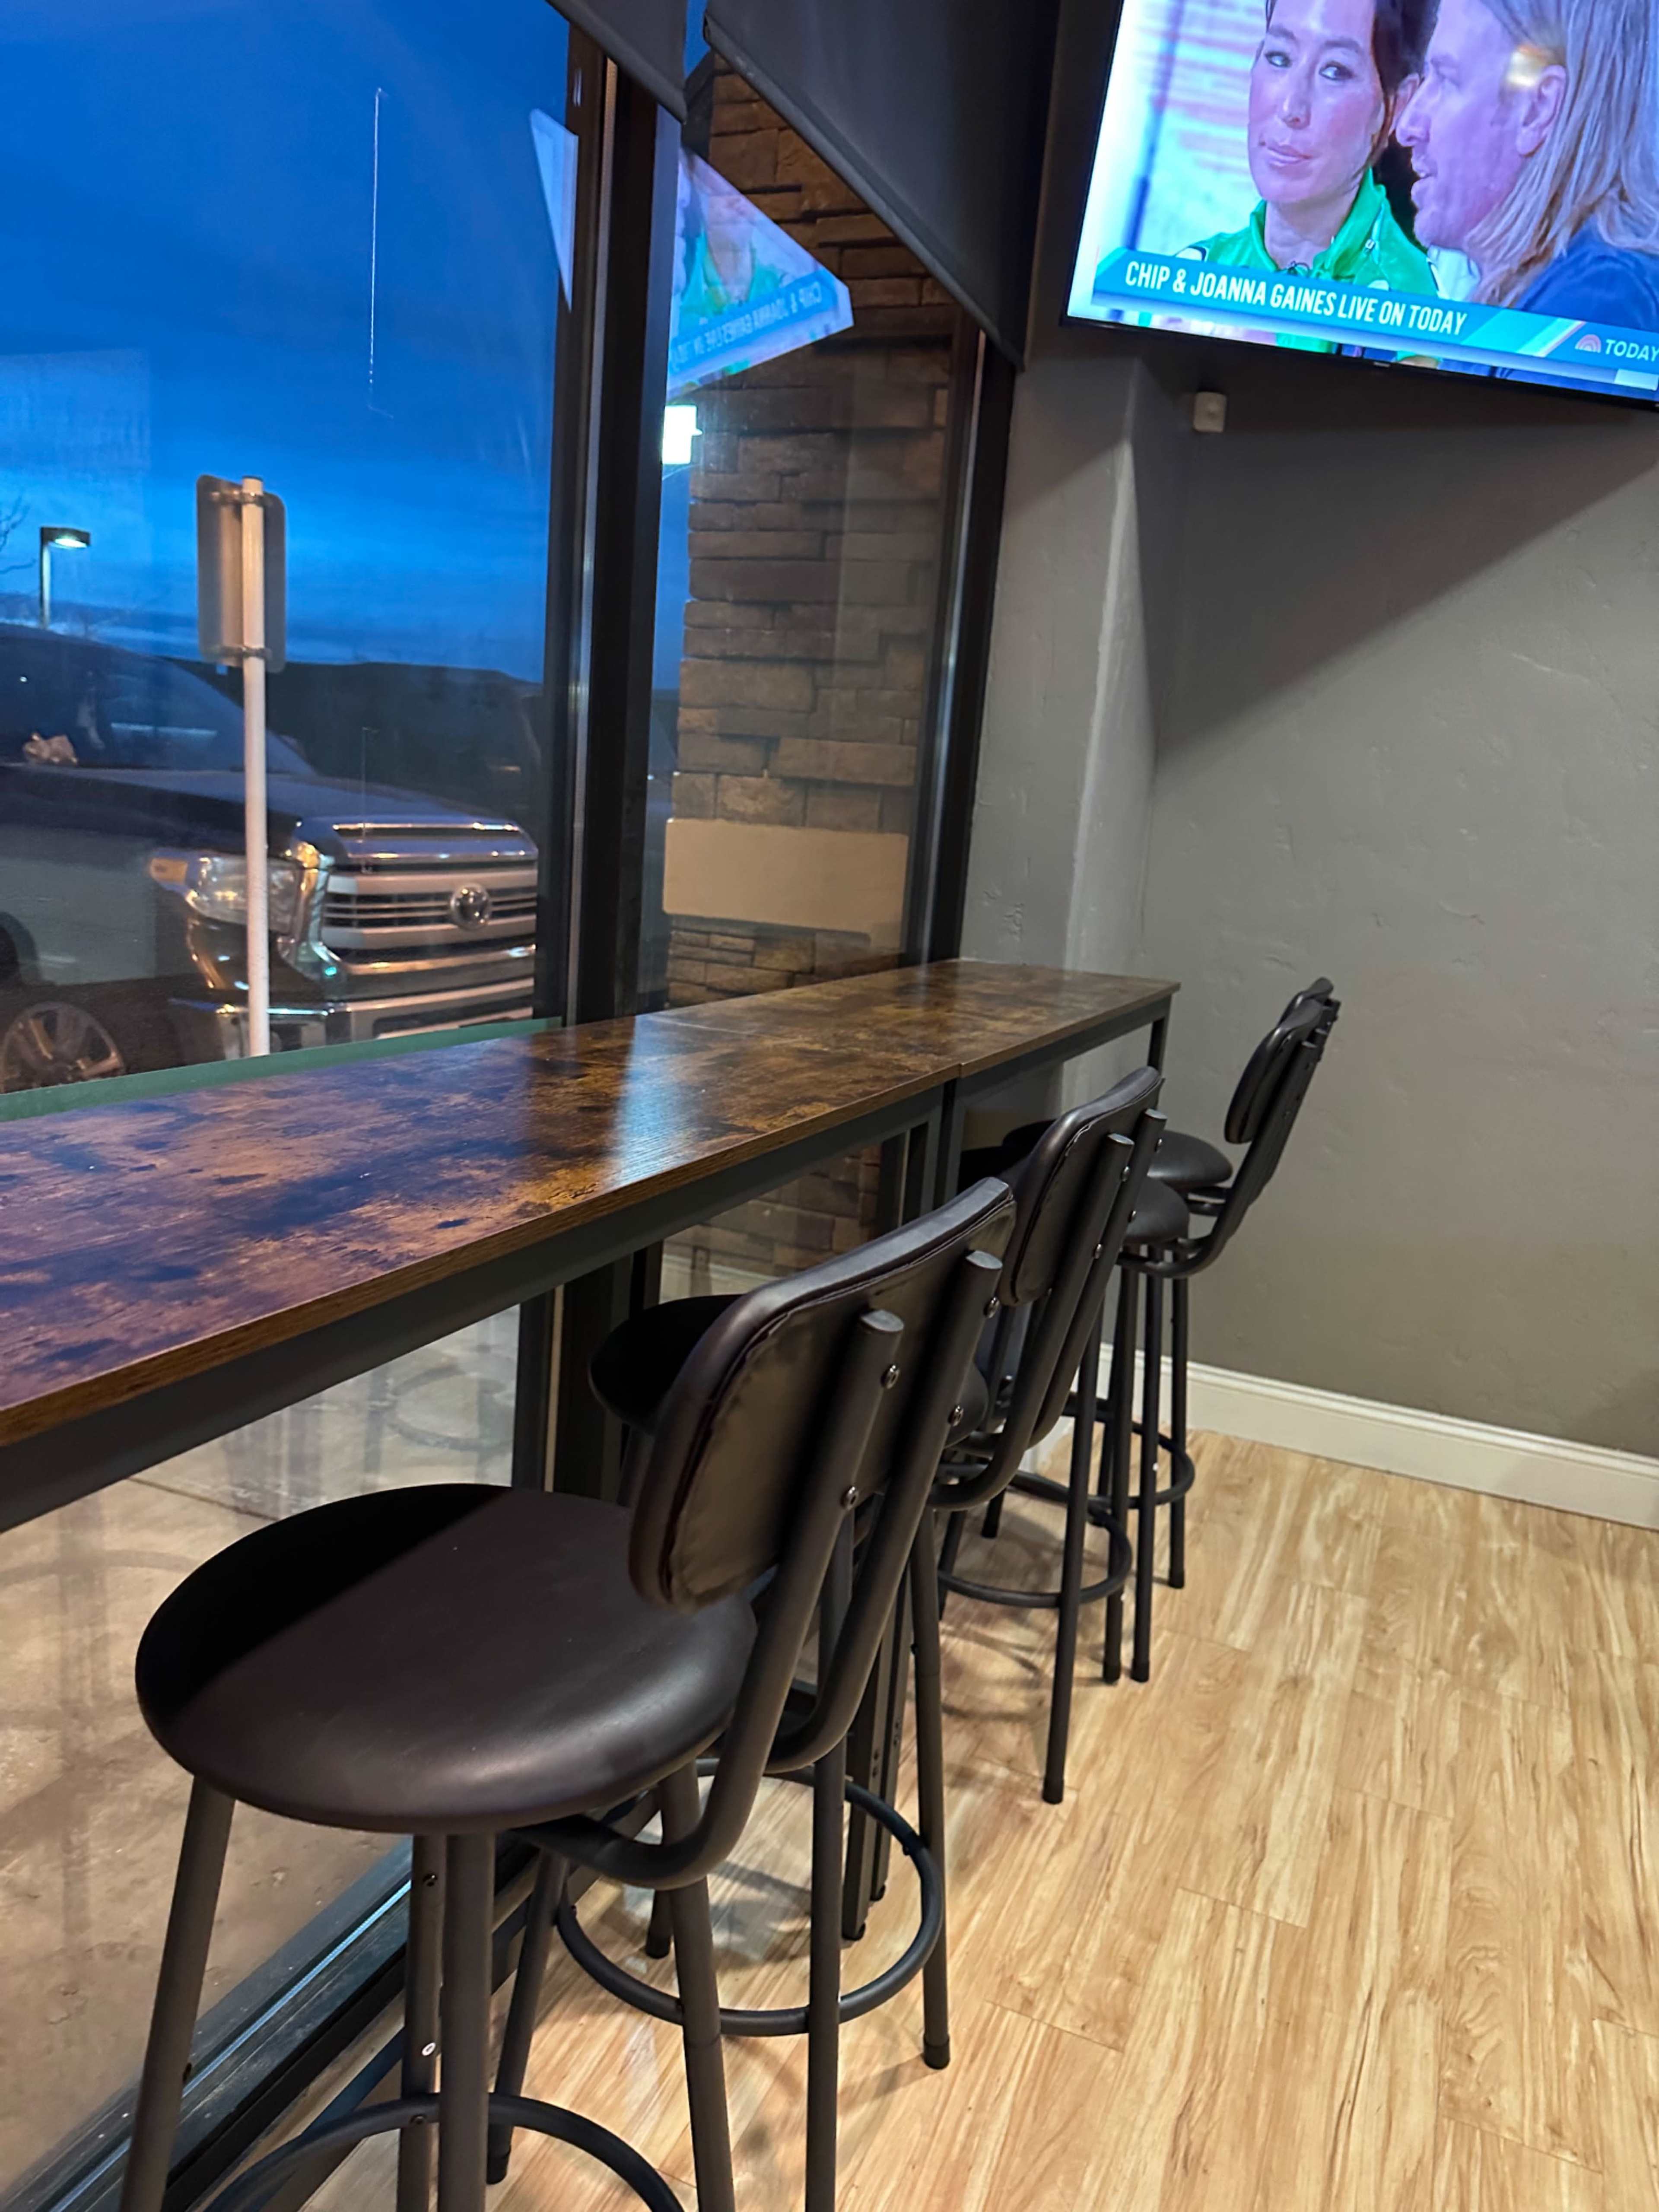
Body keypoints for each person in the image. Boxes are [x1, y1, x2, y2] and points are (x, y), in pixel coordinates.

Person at [1396, 0, 1659, 324]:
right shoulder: (1567, 285)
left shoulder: (1598, 304)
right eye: (1427, 77)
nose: (1407, 127)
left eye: (1447, 81)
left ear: (1537, 109)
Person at [1190, 0, 1437, 291]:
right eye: (1279, 58)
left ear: (1398, 105)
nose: (1290, 108)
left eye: (1335, 71)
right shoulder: (1190, 278)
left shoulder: (1414, 301)